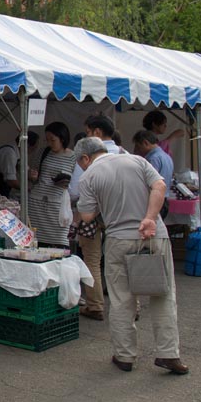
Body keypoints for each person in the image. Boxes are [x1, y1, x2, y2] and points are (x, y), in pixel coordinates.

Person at [75, 136, 188, 375]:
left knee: (121, 299)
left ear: (86, 158)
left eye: (80, 162)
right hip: (154, 235)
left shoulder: (89, 176)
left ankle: (125, 356)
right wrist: (148, 217)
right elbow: (160, 186)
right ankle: (169, 354)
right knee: (163, 296)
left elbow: (86, 216)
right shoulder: (136, 161)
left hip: (118, 239)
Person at [67, 115, 123, 322]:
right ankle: (132, 307)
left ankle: (95, 305)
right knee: (122, 261)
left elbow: (74, 190)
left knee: (92, 260)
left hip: (92, 217)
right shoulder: (125, 154)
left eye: (89, 131)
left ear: (97, 132)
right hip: (119, 216)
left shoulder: (87, 156)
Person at [28, 122, 76, 249]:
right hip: (37, 203)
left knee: (60, 243)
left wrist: (66, 183)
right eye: (47, 139)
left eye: (53, 140)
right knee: (37, 242)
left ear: (62, 138)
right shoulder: (43, 152)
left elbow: (76, 182)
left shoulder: (73, 157)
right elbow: (34, 175)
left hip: (57, 206)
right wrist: (33, 176)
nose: (49, 143)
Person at [0, 131, 39, 197]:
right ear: (27, 145)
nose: (32, 152)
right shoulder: (10, 153)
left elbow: (24, 168)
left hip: (3, 192)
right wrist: (26, 189)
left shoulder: (16, 153)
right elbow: (10, 180)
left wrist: (31, 174)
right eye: (33, 149)